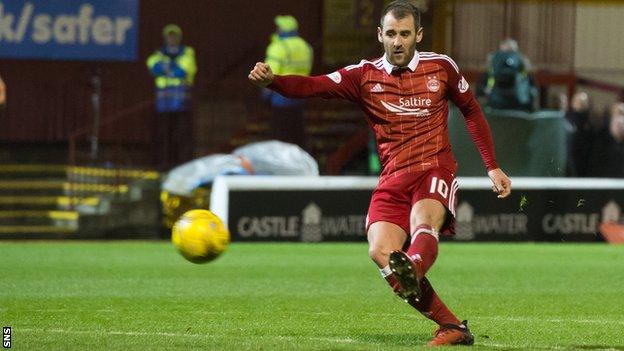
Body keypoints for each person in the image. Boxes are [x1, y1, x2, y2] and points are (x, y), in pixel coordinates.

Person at [249, 0, 511, 347]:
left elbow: (472, 111)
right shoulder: (364, 76)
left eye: (404, 34)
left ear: (418, 34)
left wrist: (491, 165)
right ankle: (452, 325)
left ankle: (415, 264)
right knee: (380, 252)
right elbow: (314, 86)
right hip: (393, 178)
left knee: (423, 222)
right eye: (391, 34)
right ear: (380, 35)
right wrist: (274, 82)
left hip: (434, 167)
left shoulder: (441, 68)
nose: (398, 41)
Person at [146, 24, 197, 171]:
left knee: (181, 135)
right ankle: (162, 164)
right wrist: (171, 68)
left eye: (174, 36)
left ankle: (181, 164)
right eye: (169, 35)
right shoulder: (158, 54)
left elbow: (182, 71)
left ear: (179, 38)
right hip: (163, 104)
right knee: (162, 135)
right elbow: (154, 67)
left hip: (182, 104)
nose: (172, 39)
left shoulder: (187, 53)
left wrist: (167, 68)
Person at [262, 15, 313, 148]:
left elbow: (268, 73)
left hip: (281, 96)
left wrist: (265, 94)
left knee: (278, 136)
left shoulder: (278, 47)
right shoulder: (306, 47)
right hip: (301, 94)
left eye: (278, 27)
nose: (276, 30)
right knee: (298, 136)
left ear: (282, 29)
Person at [477, 38, 537, 111]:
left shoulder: (523, 66)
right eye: (504, 53)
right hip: (495, 103)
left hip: (519, 104)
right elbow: (481, 90)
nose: (508, 58)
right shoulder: (492, 66)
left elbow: (532, 89)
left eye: (511, 52)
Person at [563, 91, 594, 176]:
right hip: (571, 159)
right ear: (573, 103)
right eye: (579, 102)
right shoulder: (568, 121)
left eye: (584, 102)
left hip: (586, 161)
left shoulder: (590, 123)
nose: (581, 104)